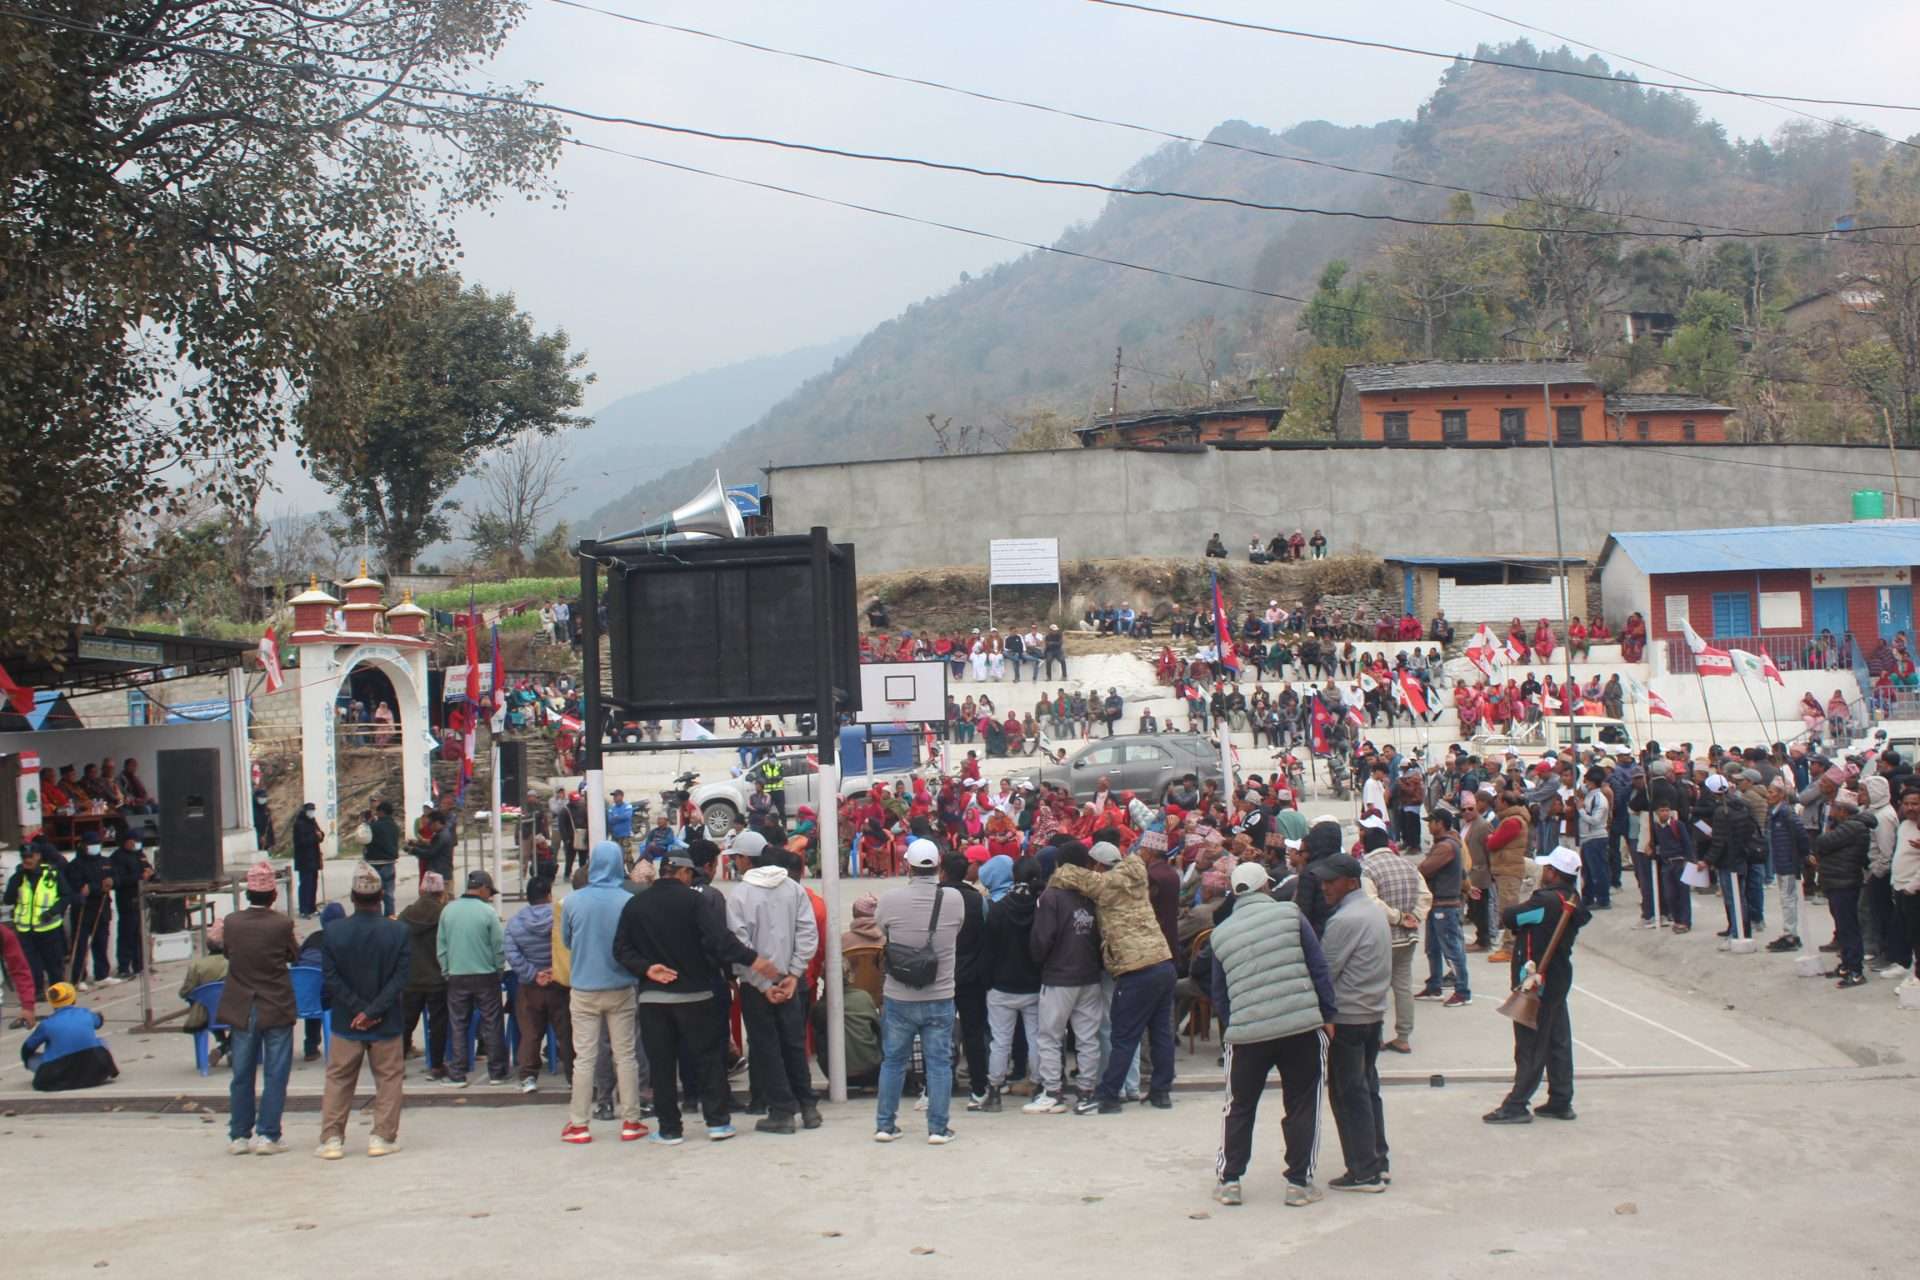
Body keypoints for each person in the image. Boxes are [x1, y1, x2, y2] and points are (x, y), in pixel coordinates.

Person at [616, 847, 780, 1145]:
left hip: (654, 999)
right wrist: (754, 960)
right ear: (682, 872)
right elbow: (721, 941)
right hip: (698, 996)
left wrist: (647, 968)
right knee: (709, 1060)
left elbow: (621, 950)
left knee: (662, 1066)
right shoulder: (695, 901)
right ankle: (718, 1123)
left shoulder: (635, 905)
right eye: (690, 873)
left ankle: (669, 1129)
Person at [1210, 861, 1338, 1208]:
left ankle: (1230, 1181)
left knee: (1239, 1106)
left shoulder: (1220, 934)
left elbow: (1219, 993)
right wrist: (1327, 1014)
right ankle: (1298, 1183)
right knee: (1302, 1103)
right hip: (1300, 1027)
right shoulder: (1291, 914)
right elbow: (1318, 966)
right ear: (1266, 887)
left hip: (1247, 1035)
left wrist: (1235, 1025)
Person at [1047, 839, 1178, 1114]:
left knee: (1124, 1036)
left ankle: (1108, 1096)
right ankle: (1161, 1092)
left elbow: (1068, 873)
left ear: (1097, 865)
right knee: (1161, 1034)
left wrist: (1057, 871)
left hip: (1135, 968)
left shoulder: (1105, 885)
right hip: (1162, 962)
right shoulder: (1138, 875)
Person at [1484, 847, 1592, 1124]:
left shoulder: (1546, 901)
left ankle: (1517, 1103)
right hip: (1558, 976)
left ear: (1553, 872)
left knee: (1530, 1044)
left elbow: (1510, 917)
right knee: (1557, 1038)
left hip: (1536, 980)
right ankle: (1561, 1098)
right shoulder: (1572, 899)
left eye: (1547, 869)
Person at [873, 837, 965, 1144]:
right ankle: (938, 1129)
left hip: (899, 995)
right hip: (940, 995)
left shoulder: (889, 899)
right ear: (939, 866)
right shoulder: (954, 899)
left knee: (893, 1061)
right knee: (938, 1063)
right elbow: (958, 928)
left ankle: (885, 1125)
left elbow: (883, 930)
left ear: (906, 866)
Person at [315, 863, 410, 1159]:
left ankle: (332, 1138)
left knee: (339, 1079)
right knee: (389, 1079)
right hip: (386, 1020)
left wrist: (359, 1010)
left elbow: (331, 978)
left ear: (352, 897)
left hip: (347, 1020)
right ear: (381, 897)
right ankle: (382, 1136)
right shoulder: (398, 931)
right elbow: (401, 978)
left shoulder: (333, 932)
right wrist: (374, 1010)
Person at [726, 841, 821, 1134]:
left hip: (756, 985)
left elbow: (738, 943)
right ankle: (808, 1106)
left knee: (766, 1046)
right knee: (794, 1044)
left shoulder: (740, 894)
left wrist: (763, 983)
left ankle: (782, 1111)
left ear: (748, 860)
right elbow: (807, 932)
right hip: (790, 981)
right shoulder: (793, 889)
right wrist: (793, 974)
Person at [561, 842, 648, 1144]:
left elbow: (567, 941)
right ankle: (631, 1120)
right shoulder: (628, 901)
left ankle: (579, 1124)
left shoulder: (572, 901)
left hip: (584, 987)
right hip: (621, 986)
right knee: (626, 1055)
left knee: (584, 1057)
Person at [1316, 852, 1390, 1191]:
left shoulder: (1345, 919)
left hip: (1348, 1018)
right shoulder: (1372, 911)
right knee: (1366, 1089)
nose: (1325, 887)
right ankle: (1377, 1159)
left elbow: (1326, 972)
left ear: (1350, 882)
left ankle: (1364, 1170)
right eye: (1324, 881)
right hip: (1371, 1013)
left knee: (1349, 1095)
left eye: (1331, 881)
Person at [220, 860, 299, 1155]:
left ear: (247, 894)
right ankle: (268, 1134)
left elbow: (228, 952)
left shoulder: (232, 922)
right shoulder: (282, 924)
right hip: (275, 1003)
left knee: (242, 1072)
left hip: (242, 1005)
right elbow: (294, 954)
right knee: (275, 1073)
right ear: (273, 895)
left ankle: (239, 1135)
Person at [979, 855, 1044, 1111]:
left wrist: (988, 981)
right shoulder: (1039, 908)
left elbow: (988, 950)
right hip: (1034, 985)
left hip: (1001, 985)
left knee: (1000, 1041)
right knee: (1036, 1039)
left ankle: (994, 1091)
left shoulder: (998, 908)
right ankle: (1038, 1086)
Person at [437, 869, 509, 1086]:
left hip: (457, 975)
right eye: (490, 892)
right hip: (486, 975)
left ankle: (458, 1073)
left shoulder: (448, 911)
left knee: (458, 1024)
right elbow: (498, 947)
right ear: (483, 889)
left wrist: (447, 971)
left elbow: (441, 947)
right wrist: (499, 970)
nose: (490, 897)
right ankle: (497, 1072)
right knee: (492, 1023)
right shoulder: (488, 913)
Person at [504, 876, 574, 1093]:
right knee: (567, 1033)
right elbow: (571, 945)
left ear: (528, 897)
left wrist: (533, 974)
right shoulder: (561, 917)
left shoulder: (515, 923)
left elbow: (511, 954)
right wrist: (556, 970)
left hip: (530, 987)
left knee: (530, 1033)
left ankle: (528, 1077)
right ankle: (574, 1077)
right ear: (549, 895)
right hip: (559, 985)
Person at [1814, 789, 1874, 988]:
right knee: (1843, 926)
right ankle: (1847, 964)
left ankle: (1855, 969)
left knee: (1849, 927)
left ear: (1843, 810)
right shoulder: (1847, 827)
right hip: (1837, 881)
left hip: (1844, 882)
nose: (1831, 811)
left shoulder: (1852, 827)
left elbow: (1822, 843)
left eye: (1834, 808)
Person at [1416, 810, 1473, 1009]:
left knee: (1452, 950)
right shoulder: (1446, 844)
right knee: (1433, 948)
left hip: (1445, 905)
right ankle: (1435, 986)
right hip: (1438, 904)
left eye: (1431, 822)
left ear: (1440, 823)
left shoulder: (1446, 846)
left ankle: (1462, 991)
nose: (1428, 825)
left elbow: (1424, 869)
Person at [21, 982, 117, 1091]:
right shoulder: (85, 1013)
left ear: (52, 1003)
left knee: (31, 1059)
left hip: (59, 1073)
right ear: (73, 999)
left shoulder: (47, 1024)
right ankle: (100, 1071)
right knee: (101, 1041)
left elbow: (27, 1048)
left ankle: (61, 1077)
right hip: (92, 1067)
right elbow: (99, 1022)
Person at [400, 872, 450, 1078]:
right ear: (441, 892)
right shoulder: (444, 914)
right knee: (437, 1024)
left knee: (405, 1023)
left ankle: (396, 1064)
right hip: (437, 978)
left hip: (410, 978)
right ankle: (436, 1065)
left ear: (421, 891)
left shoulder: (405, 915)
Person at [107, 835, 153, 980]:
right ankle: (124, 967)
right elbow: (119, 880)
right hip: (126, 899)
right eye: (133, 841)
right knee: (127, 934)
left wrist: (149, 873)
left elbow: (148, 868)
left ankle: (140, 965)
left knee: (139, 934)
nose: (136, 844)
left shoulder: (139, 854)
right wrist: (139, 876)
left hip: (141, 898)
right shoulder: (118, 857)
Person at [364, 802, 401, 917]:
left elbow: (364, 839)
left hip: (374, 864)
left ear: (381, 812)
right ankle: (390, 917)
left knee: (374, 895)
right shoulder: (395, 826)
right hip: (389, 863)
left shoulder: (374, 826)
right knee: (389, 894)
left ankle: (376, 919)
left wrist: (367, 823)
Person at [291, 802, 325, 918]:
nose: (312, 812)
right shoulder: (299, 824)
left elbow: (320, 834)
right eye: (310, 810)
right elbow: (302, 841)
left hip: (314, 858)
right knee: (305, 884)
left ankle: (311, 907)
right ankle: (304, 909)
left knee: (313, 884)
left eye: (313, 810)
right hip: (304, 859)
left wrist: (320, 835)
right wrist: (315, 837)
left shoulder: (313, 821)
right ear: (305, 811)